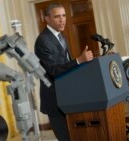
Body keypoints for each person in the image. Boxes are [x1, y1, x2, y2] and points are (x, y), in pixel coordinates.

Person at [34, 2, 94, 141]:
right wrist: (79, 60)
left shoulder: (61, 36)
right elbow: (54, 70)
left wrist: (84, 63)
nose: (62, 20)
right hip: (55, 100)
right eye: (57, 17)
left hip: (68, 96)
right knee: (66, 138)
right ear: (47, 18)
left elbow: (67, 64)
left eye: (64, 15)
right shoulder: (43, 40)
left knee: (76, 136)